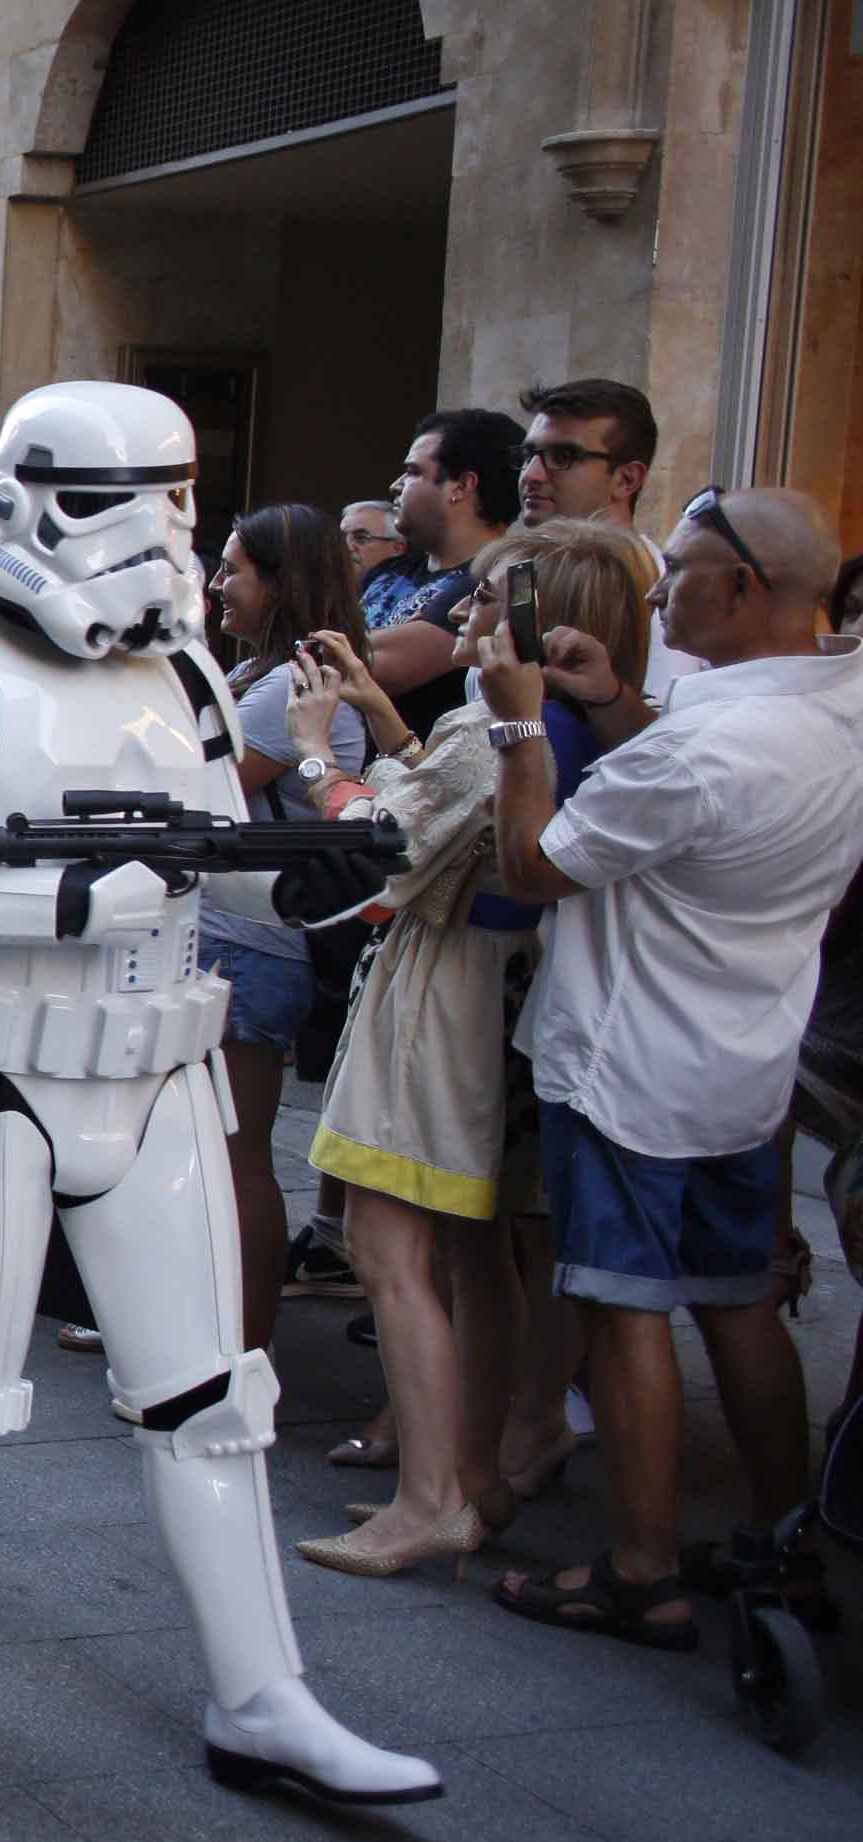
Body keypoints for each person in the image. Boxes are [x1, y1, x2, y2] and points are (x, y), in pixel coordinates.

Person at [0, 381, 438, 1807]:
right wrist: (52, 902)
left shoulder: (185, 676)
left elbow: (221, 847)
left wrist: (322, 869)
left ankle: (261, 1694)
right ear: (23, 495)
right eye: (118, 505)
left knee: (212, 1400)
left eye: (175, 505)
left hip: (161, 1077)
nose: (158, 541)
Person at [489, 487, 863, 1649]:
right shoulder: (833, 706)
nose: (663, 589)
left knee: (622, 1309)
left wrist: (512, 728)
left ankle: (640, 1566)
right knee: (738, 1302)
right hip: (742, 1056)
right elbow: (690, 793)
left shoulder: (707, 745)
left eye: (684, 569)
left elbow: (535, 866)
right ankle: (778, 1535)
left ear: (741, 589)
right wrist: (609, 704)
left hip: (628, 1062)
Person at [283, 521, 643, 1575]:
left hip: (443, 999)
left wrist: (316, 749)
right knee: (478, 1251)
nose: (461, 618)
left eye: (484, 604)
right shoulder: (583, 722)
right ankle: (474, 1469)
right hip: (511, 990)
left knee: (392, 1250)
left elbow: (386, 844)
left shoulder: (498, 722)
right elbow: (455, 804)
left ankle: (429, 1494)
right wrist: (384, 716)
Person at [194, 505, 371, 1361]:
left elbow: (210, 793)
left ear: (281, 579)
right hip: (225, 931)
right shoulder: (261, 673)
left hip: (253, 939)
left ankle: (240, 1341)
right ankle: (212, 1325)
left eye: (233, 570)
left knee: (237, 1152)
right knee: (211, 1143)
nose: (216, 585)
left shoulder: (294, 684)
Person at [517, 377, 705, 705]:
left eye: (563, 456)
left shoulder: (651, 586)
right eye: (528, 454)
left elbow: (661, 727)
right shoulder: (522, 571)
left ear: (626, 479)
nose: (531, 475)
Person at [368, 408, 523, 729]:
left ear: (461, 486)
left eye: (412, 472)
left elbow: (377, 667)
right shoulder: (388, 571)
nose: (396, 485)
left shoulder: (490, 585)